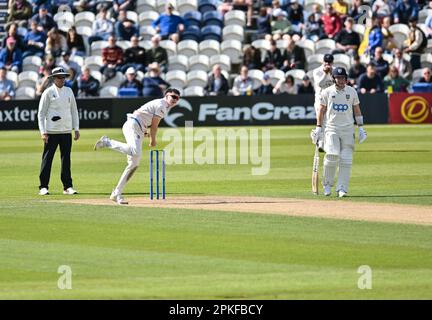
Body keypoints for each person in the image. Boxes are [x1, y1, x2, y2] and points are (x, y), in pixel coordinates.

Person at [93, 88, 181, 205]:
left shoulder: (162, 105)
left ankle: (116, 193)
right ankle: (107, 142)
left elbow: (143, 116)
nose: (175, 100)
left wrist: (144, 132)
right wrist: (152, 140)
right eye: (173, 96)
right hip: (133, 125)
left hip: (137, 126)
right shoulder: (161, 105)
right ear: (166, 95)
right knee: (136, 152)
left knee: (134, 163)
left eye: (177, 98)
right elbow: (154, 126)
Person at [310, 67, 367, 198]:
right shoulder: (327, 92)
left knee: (346, 159)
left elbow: (357, 109)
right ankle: (327, 184)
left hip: (348, 129)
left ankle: (342, 188)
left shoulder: (352, 91)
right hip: (332, 128)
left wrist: (361, 127)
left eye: (343, 78)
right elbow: (321, 111)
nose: (341, 80)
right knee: (332, 156)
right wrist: (318, 127)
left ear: (346, 78)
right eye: (338, 78)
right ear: (334, 79)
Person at [37, 67, 80, 196]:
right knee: (47, 159)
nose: (62, 79)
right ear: (54, 78)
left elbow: (74, 111)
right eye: (59, 77)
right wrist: (43, 132)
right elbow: (41, 113)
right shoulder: (48, 92)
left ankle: (67, 186)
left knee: (66, 159)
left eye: (63, 77)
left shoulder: (69, 91)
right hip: (51, 131)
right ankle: (43, 186)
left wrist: (76, 128)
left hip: (66, 130)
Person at [312, 53, 334, 151]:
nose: (327, 64)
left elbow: (337, 83)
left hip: (331, 99)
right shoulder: (317, 71)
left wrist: (331, 73)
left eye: (329, 62)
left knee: (329, 121)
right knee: (321, 121)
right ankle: (321, 143)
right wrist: (325, 73)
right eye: (326, 62)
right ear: (323, 61)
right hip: (319, 99)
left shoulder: (335, 70)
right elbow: (320, 84)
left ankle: (321, 139)